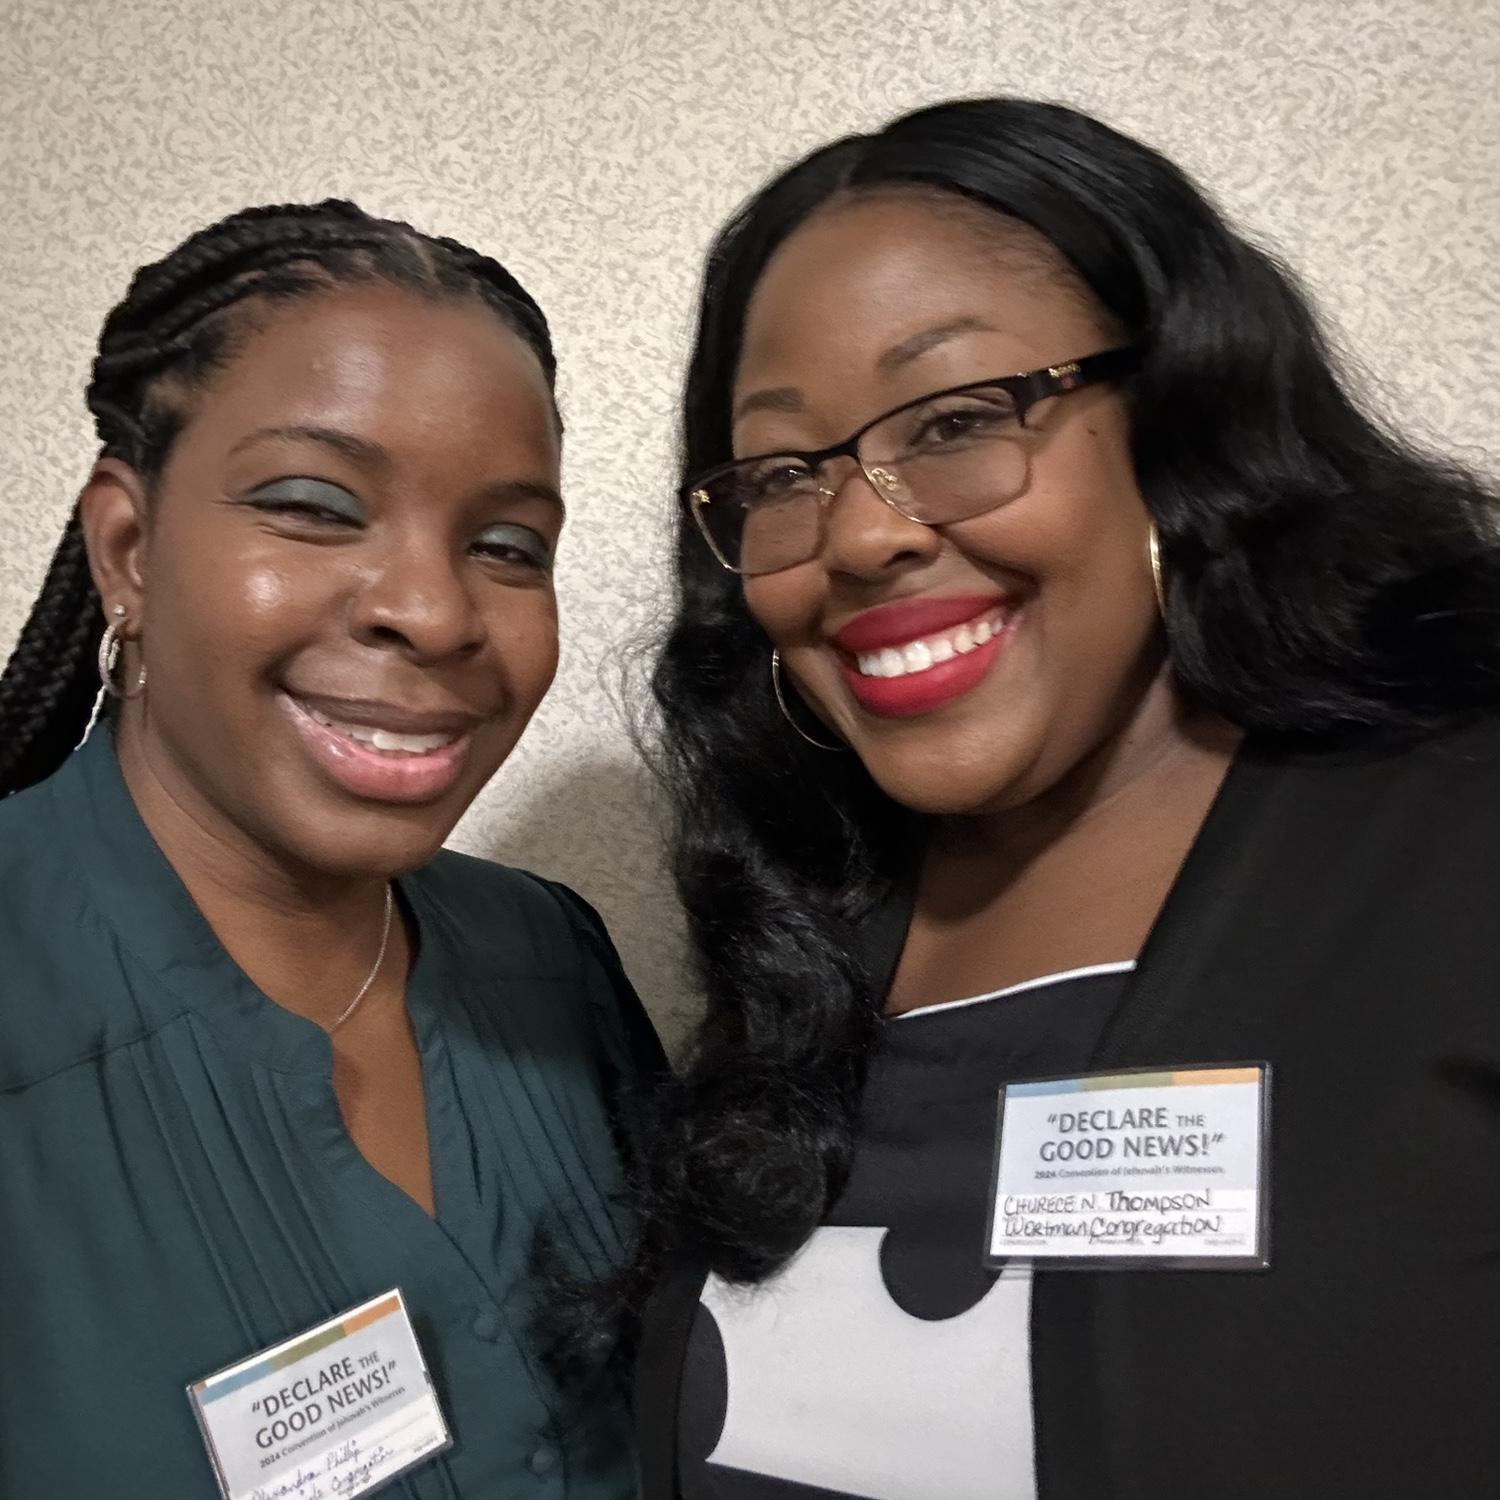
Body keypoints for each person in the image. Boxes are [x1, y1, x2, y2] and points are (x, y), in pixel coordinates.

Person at [624, 99, 1500, 1498]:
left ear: (1178, 418)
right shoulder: (810, 928)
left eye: (959, 417)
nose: (859, 533)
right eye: (785, 474)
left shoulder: (1454, 843)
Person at [0, 199, 659, 1498]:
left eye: (508, 544)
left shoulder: (551, 958)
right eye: (313, 505)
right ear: (127, 549)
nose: (433, 609)